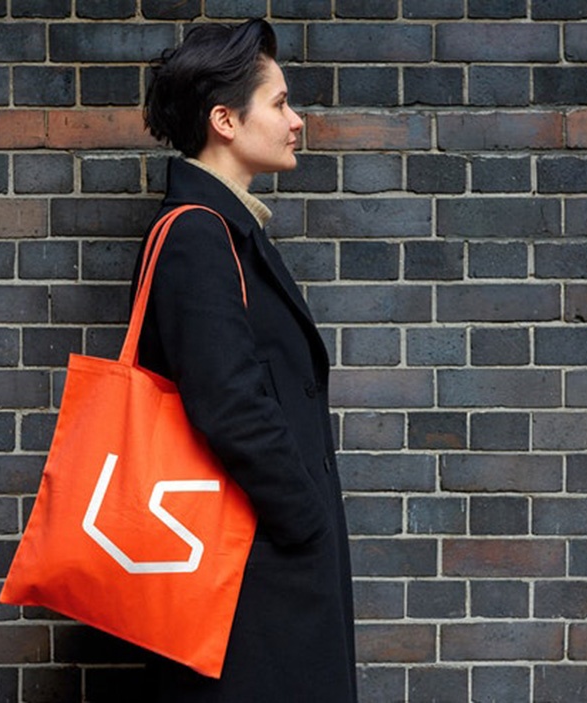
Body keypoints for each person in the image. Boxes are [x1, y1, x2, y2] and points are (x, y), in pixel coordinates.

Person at [133, 18, 357, 702]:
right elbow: (228, 402)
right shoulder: (199, 237)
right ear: (224, 120)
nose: (296, 120)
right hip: (247, 576)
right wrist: (305, 521)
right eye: (280, 103)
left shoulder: (228, 231)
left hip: (254, 567)